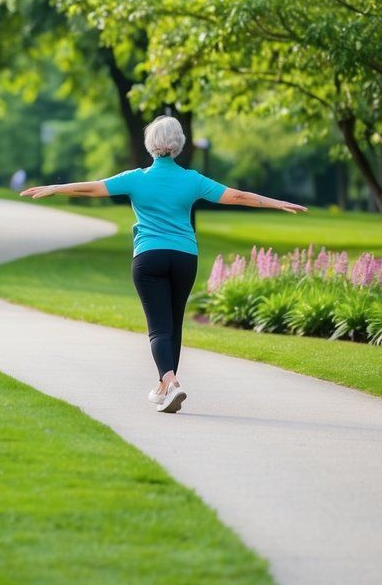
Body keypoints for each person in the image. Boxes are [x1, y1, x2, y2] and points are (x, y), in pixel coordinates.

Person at [20, 115, 306, 414]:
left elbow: (92, 188)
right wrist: (277, 202)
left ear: (150, 144)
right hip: (184, 258)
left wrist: (55, 188)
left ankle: (171, 383)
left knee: (158, 329)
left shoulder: (137, 178)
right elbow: (238, 196)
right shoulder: (192, 179)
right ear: (179, 144)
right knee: (173, 325)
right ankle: (164, 388)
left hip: (149, 257)